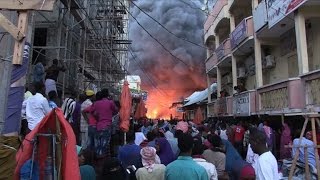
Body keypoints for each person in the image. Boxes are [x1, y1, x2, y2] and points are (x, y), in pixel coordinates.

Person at [91, 89, 118, 157]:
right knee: (105, 144)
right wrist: (110, 114)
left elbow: (93, 113)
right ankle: (103, 159)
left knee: (98, 143)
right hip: (107, 126)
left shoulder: (96, 103)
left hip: (98, 126)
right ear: (107, 95)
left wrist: (98, 117)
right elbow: (116, 110)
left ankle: (98, 158)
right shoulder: (110, 102)